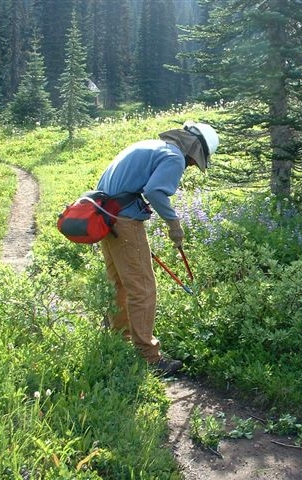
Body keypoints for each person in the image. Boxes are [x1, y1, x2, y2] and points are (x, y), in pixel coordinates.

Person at [96, 121, 220, 375]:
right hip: (124, 222)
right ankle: (149, 357)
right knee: (143, 288)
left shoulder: (152, 146)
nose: (193, 166)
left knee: (119, 283)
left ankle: (120, 340)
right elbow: (154, 190)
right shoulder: (174, 157)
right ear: (194, 150)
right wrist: (174, 224)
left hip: (104, 217)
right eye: (196, 161)